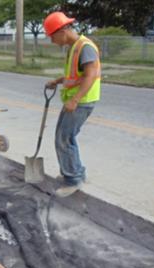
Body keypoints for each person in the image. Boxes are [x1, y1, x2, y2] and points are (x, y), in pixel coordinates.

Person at [43, 12, 101, 197]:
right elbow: (76, 76)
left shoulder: (85, 47)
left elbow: (91, 75)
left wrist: (75, 100)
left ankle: (73, 180)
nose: (52, 41)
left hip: (81, 101)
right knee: (65, 137)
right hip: (75, 100)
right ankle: (76, 173)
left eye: (52, 36)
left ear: (62, 30)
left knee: (64, 139)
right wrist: (58, 81)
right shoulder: (74, 47)